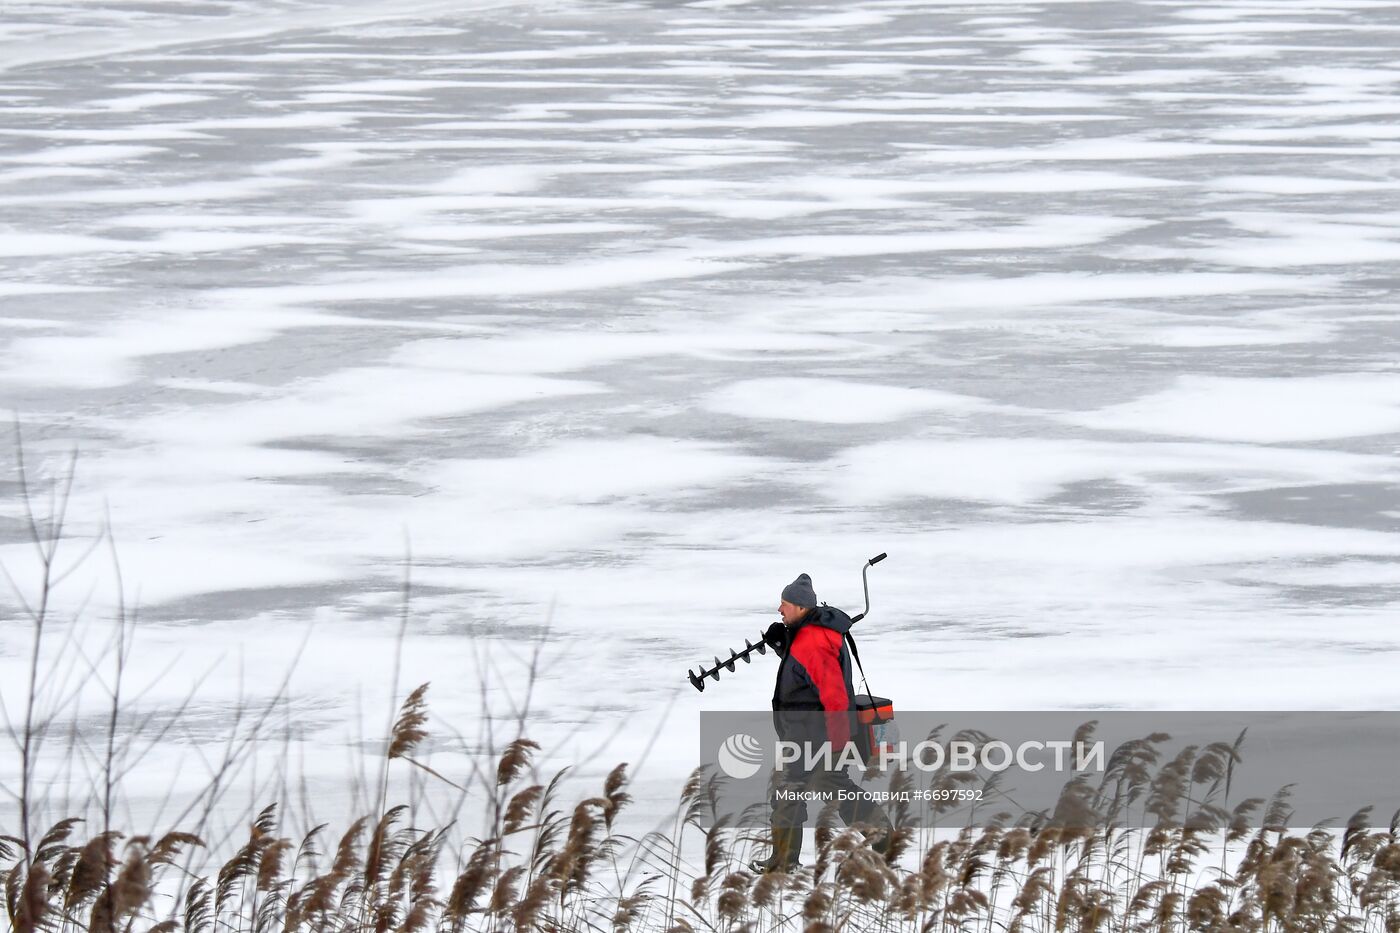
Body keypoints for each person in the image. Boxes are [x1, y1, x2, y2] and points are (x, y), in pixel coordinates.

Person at [750, 573, 892, 874]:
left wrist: (838, 743)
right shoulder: (809, 634)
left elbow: (835, 696)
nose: (780, 610)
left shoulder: (813, 642)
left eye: (785, 605)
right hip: (810, 733)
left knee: (789, 790)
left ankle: (783, 861)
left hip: (815, 735)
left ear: (801, 608)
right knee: (833, 789)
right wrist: (782, 646)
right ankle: (885, 841)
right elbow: (805, 676)